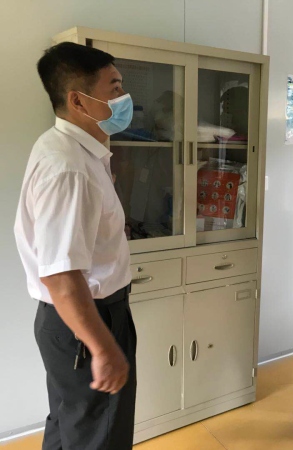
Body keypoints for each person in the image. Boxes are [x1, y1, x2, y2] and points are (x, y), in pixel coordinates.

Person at [14, 42, 137, 450]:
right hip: (87, 319)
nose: (124, 98)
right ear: (78, 100)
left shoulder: (64, 147)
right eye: (114, 88)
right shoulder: (70, 168)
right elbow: (61, 276)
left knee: (72, 424)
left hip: (73, 321)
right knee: (98, 434)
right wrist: (103, 348)